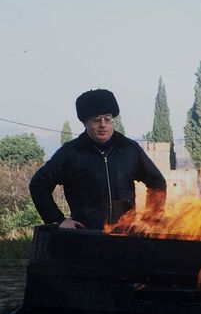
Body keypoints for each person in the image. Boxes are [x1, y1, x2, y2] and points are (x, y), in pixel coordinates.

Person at [29, 89, 167, 230]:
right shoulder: (71, 153)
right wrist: (57, 220)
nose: (103, 125)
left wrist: (150, 221)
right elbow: (38, 184)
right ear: (85, 122)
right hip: (85, 238)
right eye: (96, 120)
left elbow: (157, 182)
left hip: (125, 237)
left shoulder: (129, 149)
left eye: (108, 119)